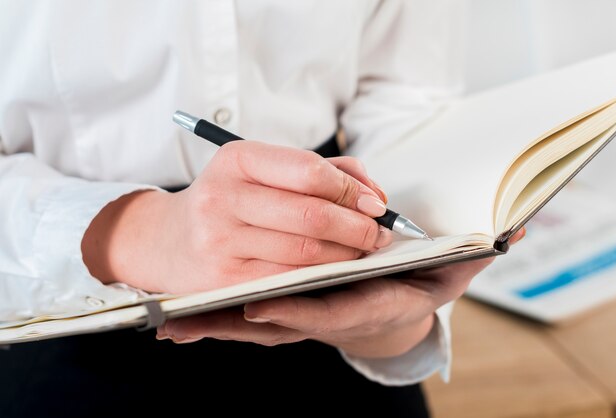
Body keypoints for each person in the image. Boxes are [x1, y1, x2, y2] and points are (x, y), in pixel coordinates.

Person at [0, 1, 523, 417]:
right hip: (62, 318)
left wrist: (395, 314)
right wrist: (139, 233)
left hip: (332, 304)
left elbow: (406, 95)